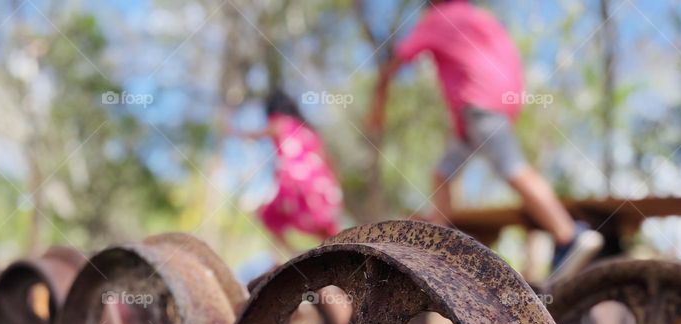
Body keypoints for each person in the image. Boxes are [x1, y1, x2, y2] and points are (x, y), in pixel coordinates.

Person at [367, 0, 602, 283]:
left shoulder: (437, 17)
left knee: (512, 168)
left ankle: (568, 233)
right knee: (443, 172)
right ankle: (435, 239)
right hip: (494, 106)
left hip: (478, 105)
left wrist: (378, 105)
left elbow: (396, 60)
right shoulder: (480, 17)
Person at [235, 89, 344, 257]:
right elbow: (327, 159)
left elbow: (255, 135)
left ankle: (293, 253)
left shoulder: (279, 122)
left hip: (295, 184)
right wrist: (335, 185)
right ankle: (342, 254)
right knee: (328, 231)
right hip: (322, 185)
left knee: (267, 215)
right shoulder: (308, 130)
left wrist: (233, 130)